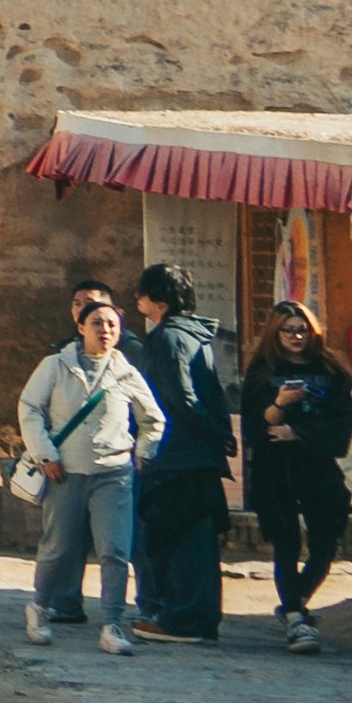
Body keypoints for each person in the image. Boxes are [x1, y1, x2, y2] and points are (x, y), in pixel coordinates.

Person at [17, 285, 165, 652]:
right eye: (97, 323)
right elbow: (29, 409)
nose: (106, 330)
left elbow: (154, 419)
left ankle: (112, 625)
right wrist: (45, 454)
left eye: (112, 324)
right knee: (60, 547)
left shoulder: (125, 372)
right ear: (81, 327)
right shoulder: (55, 366)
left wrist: (143, 452)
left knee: (115, 550)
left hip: (114, 474)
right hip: (65, 472)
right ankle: (39, 607)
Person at [234, 298, 352, 651]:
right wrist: (279, 406)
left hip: (318, 468)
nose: (296, 336)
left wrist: (299, 433)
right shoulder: (261, 373)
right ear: (275, 332)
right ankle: (294, 618)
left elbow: (340, 430)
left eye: (302, 329)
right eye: (289, 329)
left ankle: (296, 599)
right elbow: (256, 430)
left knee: (325, 544)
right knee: (286, 543)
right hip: (275, 471)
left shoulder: (331, 371)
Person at [122, 265, 237, 642]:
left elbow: (178, 399)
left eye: (142, 294)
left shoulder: (168, 338)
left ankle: (183, 620)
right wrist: (219, 435)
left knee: (177, 539)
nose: (138, 301)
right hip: (196, 457)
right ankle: (196, 618)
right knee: (196, 540)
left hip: (177, 456)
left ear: (159, 300)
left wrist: (209, 433)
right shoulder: (196, 336)